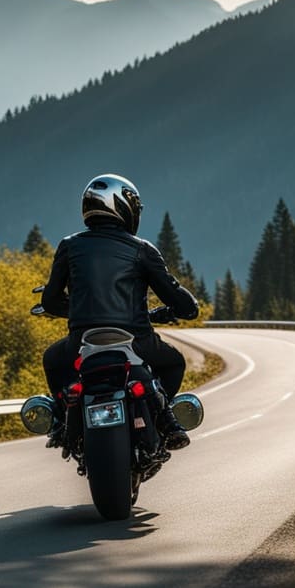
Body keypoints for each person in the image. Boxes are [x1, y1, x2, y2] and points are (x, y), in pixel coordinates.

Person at [41, 173, 200, 450]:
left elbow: (51, 301)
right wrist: (185, 308)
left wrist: (81, 310)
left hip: (81, 342)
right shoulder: (142, 250)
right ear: (123, 207)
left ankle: (61, 421)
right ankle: (165, 419)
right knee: (174, 363)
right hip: (136, 340)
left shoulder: (69, 246)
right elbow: (181, 303)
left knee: (52, 360)